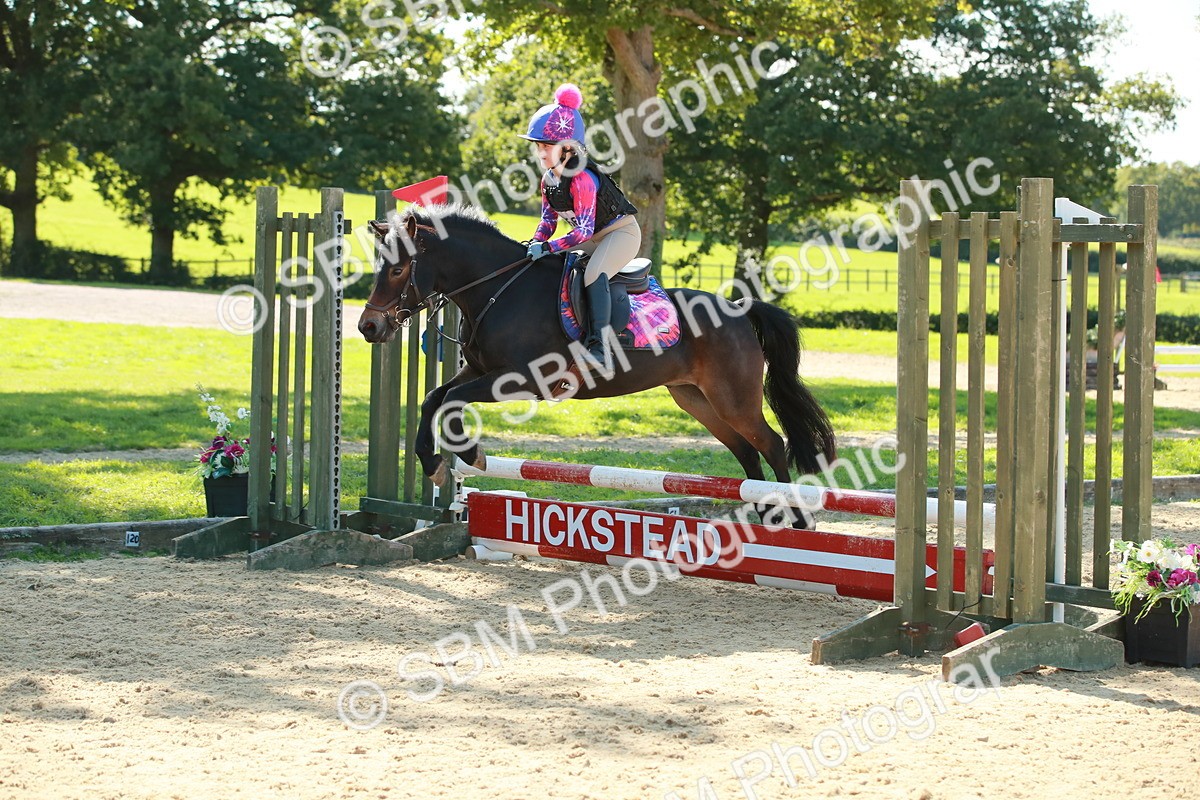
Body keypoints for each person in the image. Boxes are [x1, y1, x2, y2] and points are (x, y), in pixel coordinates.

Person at [520, 83, 640, 368]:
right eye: (538, 145)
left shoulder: (582, 179)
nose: (541, 152)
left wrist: (547, 247)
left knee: (593, 274)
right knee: (552, 267)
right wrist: (536, 244)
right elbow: (548, 221)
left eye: (547, 146)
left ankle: (601, 348)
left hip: (620, 233)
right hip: (592, 237)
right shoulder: (549, 180)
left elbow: (583, 232)